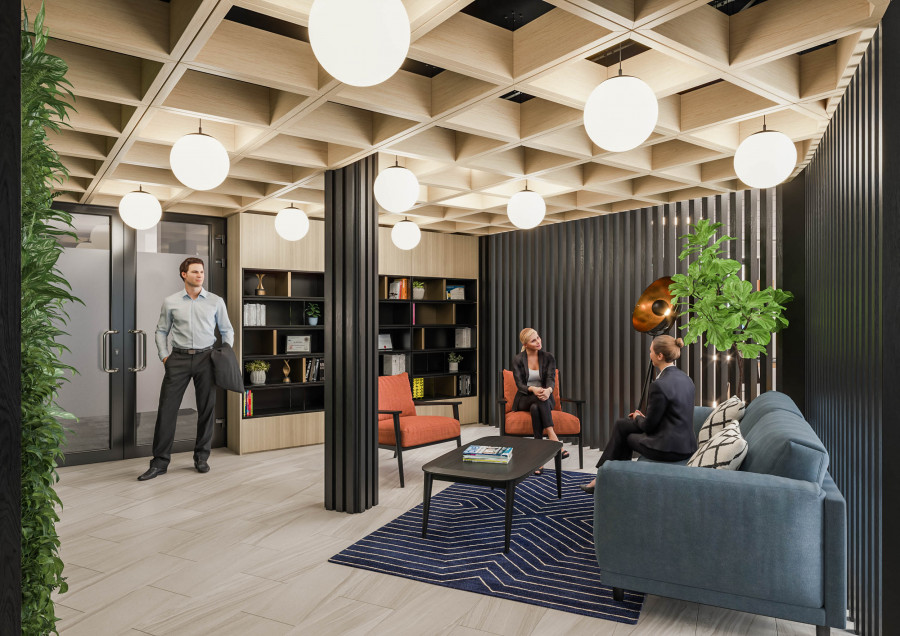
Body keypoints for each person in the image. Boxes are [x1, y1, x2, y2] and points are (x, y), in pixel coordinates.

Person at [138, 258, 234, 481]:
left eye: (201, 272)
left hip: (207, 358)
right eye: (194, 271)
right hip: (178, 359)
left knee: (206, 409)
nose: (200, 275)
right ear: (184, 274)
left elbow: (227, 330)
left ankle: (202, 457)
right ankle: (160, 462)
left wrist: (225, 353)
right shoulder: (171, 302)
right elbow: (161, 331)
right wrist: (164, 356)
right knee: (167, 410)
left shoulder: (215, 301)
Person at [580, 335, 695, 493]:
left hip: (668, 449)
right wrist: (640, 417)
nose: (650, 355)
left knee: (627, 437)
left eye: (651, 352)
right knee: (622, 424)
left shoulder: (659, 385)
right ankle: (602, 476)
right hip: (686, 445)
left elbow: (649, 427)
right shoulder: (686, 379)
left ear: (660, 355)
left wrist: (638, 417)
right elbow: (670, 415)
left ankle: (606, 478)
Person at [511, 328, 570, 475]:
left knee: (536, 408)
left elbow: (551, 378)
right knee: (538, 400)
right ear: (525, 344)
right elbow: (520, 385)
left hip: (544, 397)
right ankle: (553, 438)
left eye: (538, 338)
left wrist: (549, 390)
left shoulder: (548, 357)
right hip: (525, 398)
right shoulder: (518, 359)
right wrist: (533, 389)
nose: (538, 342)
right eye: (533, 340)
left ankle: (538, 460)